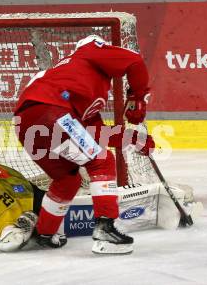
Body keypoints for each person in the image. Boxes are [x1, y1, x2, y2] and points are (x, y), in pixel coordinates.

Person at [13, 35, 155, 254]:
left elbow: (93, 134)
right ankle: (106, 229)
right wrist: (138, 99)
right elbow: (135, 60)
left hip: (27, 123)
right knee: (102, 161)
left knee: (67, 179)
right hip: (52, 111)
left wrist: (132, 139)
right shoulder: (89, 50)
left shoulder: (78, 83)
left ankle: (45, 234)